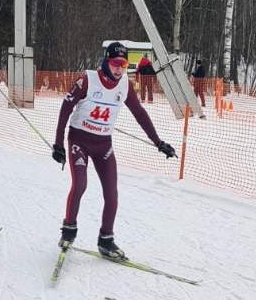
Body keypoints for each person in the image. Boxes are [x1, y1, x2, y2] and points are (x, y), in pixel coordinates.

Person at [51, 42, 177, 259]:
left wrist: (158, 142)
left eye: (123, 64)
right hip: (79, 140)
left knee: (112, 194)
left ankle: (106, 240)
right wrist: (59, 144)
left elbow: (140, 113)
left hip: (103, 145)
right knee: (80, 184)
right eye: (115, 63)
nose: (119, 68)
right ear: (106, 61)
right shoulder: (87, 79)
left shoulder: (125, 86)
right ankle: (69, 231)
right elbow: (66, 109)